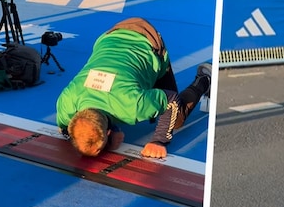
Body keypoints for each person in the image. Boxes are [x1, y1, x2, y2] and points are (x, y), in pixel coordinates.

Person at [56, 17, 211, 159]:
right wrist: (112, 130)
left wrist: (159, 141)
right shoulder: (66, 102)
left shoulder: (132, 104)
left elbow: (171, 100)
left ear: (108, 133)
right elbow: (67, 130)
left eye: (100, 150)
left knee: (176, 118)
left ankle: (205, 79)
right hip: (110, 37)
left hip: (148, 40)